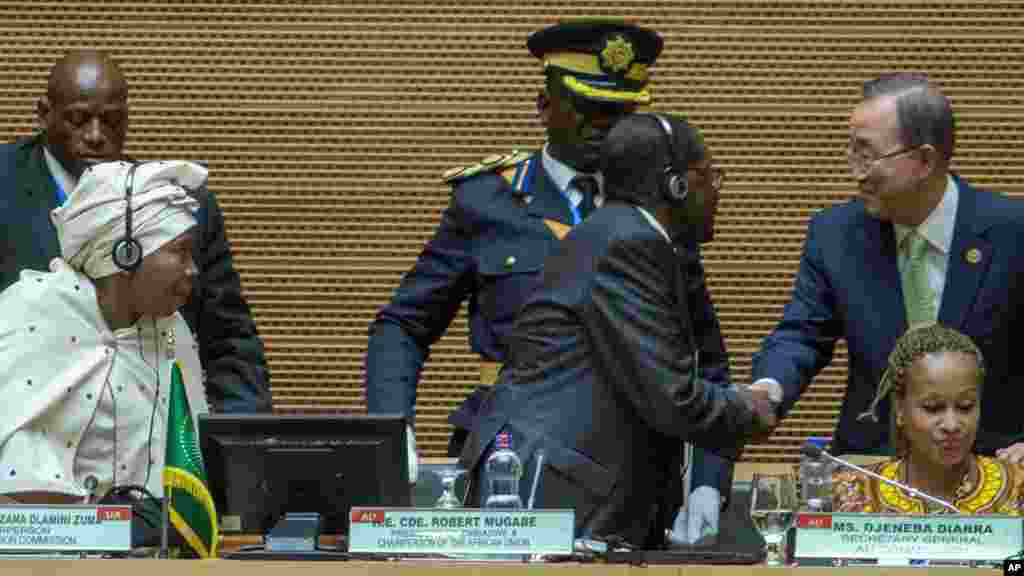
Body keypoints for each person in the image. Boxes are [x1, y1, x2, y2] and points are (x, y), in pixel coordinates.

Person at [365, 20, 734, 540]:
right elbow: (403, 325)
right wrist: (391, 435)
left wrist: (708, 483)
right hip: (514, 462)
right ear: (545, 105)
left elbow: (705, 359)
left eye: (622, 112)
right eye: (590, 108)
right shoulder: (486, 202)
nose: (606, 126)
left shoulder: (661, 209)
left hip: (636, 474)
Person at [457, 113, 777, 547]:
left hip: (566, 488)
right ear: (675, 184)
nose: (717, 188)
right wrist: (749, 408)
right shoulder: (629, 243)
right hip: (553, 493)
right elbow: (672, 397)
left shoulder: (621, 235)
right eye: (710, 174)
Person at [750, 72, 1024, 460]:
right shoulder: (835, 234)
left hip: (993, 473)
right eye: (851, 152)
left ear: (925, 160)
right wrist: (767, 389)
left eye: (867, 154)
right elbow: (802, 333)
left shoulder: (1013, 233)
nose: (854, 170)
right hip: (874, 468)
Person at [0, 49, 271, 414]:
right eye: (78, 120)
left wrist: (238, 452)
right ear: (44, 114)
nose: (95, 136)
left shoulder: (178, 207)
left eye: (111, 121)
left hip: (149, 424)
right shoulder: (5, 182)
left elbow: (228, 341)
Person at [0, 160, 209, 504]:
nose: (193, 270)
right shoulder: (28, 312)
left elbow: (191, 463)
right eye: (180, 252)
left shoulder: (172, 331)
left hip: (151, 545)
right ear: (126, 254)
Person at [833, 323, 1024, 514]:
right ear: (900, 408)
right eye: (932, 408)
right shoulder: (854, 492)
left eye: (966, 407)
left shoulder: (1017, 489)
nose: (951, 425)